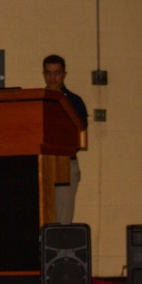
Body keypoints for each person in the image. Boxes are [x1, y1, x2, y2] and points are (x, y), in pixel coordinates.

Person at [42, 54, 88, 223]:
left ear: (64, 74)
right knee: (43, 213)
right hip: (43, 162)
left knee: (63, 216)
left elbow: (80, 131)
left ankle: (61, 249)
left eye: (56, 73)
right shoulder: (39, 99)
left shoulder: (74, 101)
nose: (52, 77)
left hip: (65, 162)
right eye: (48, 73)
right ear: (43, 74)